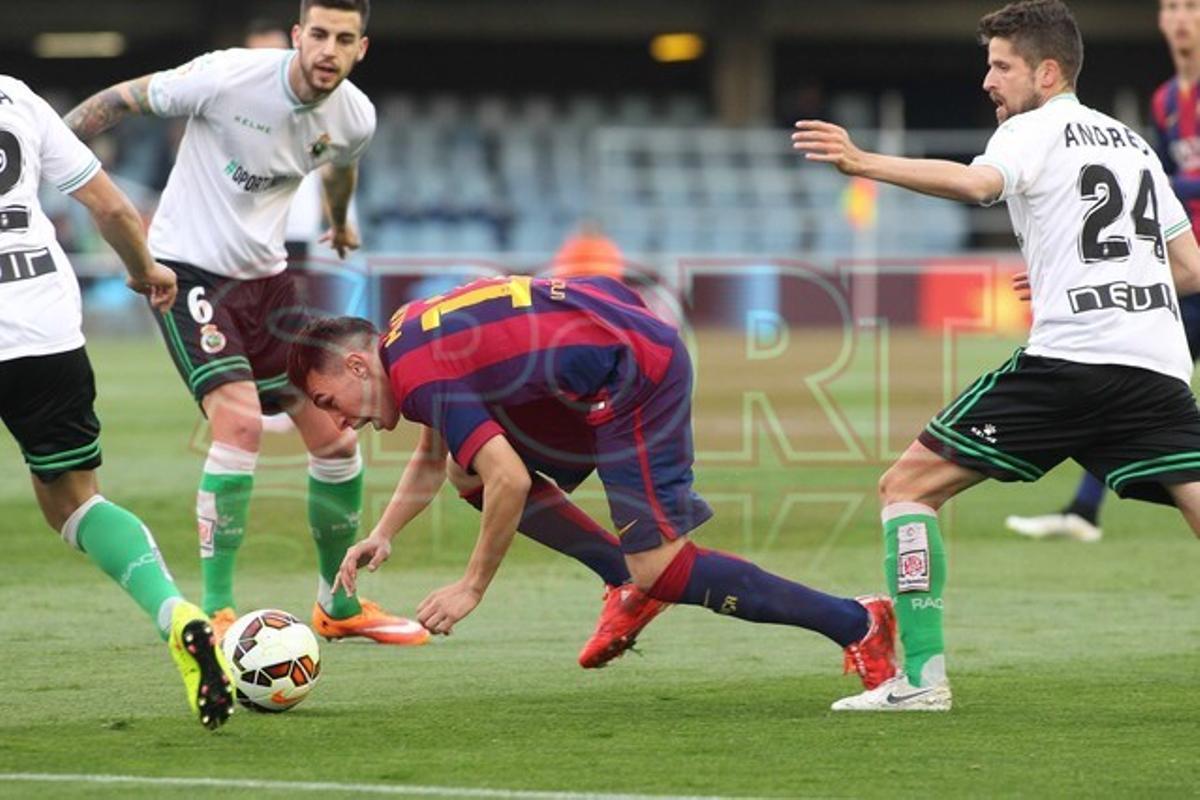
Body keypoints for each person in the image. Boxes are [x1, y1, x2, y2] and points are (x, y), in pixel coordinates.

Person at [793, 0, 1200, 711]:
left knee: (906, 489)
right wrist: (1089, 273)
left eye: (1000, 66)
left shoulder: (1031, 129)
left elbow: (978, 185)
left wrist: (862, 162)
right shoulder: (1132, 141)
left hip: (1075, 359)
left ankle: (920, 681)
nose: (988, 81)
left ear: (1046, 72)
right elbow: (1190, 267)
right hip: (1159, 362)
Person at [284, 275, 899, 689]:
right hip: (598, 360)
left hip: (631, 375)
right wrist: (385, 533)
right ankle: (623, 579)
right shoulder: (406, 338)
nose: (338, 420)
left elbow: (509, 480)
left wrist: (472, 587)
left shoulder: (414, 375)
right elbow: (437, 449)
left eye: (327, 399)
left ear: (358, 365)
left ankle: (858, 621)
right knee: (461, 466)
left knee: (659, 567)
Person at [61, 0, 427, 645]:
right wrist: (47, 151)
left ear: (360, 48)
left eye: (344, 39)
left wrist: (339, 219)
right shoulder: (228, 76)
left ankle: (337, 607)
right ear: (296, 36)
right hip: (187, 273)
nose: (327, 50)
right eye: (317, 34)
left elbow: (342, 160)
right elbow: (124, 98)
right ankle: (219, 612)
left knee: (338, 443)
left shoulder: (354, 114)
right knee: (238, 422)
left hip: (269, 283)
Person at [0, 75, 234, 729]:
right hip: (43, 328)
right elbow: (113, 209)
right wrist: (145, 269)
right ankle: (173, 612)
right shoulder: (16, 97)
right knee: (76, 501)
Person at [1004, 0, 1200, 543]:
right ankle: (1084, 509)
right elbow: (1150, 185)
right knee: (1129, 385)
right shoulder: (1165, 100)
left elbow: (1155, 181)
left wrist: (1162, 180)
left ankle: (1084, 509)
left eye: (1191, 7)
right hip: (1173, 270)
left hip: (1183, 265)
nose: (1180, 18)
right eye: (1171, 8)